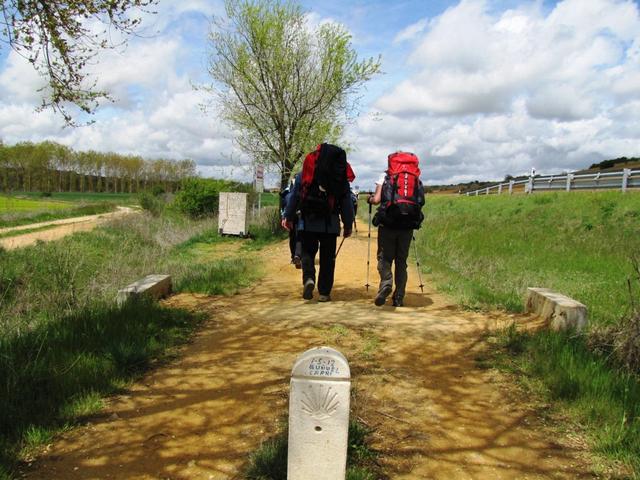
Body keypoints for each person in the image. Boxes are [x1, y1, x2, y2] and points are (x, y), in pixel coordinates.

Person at [282, 144, 354, 302]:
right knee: (328, 258)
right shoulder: (339, 176)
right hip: (330, 223)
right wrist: (348, 224)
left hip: (308, 221)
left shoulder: (306, 171)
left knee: (307, 253)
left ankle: (309, 279)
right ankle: (324, 292)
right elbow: (346, 201)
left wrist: (288, 216)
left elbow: (295, 196)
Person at [367, 151, 425, 307]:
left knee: (384, 258)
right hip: (407, 226)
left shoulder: (385, 176)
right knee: (401, 261)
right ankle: (399, 297)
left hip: (388, 223)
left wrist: (369, 199)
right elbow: (420, 201)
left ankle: (386, 283)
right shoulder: (415, 177)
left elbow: (377, 200)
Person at [280, 175, 301, 267]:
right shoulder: (302, 186)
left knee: (294, 236)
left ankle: (295, 256)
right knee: (298, 235)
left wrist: (284, 217)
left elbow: (283, 205)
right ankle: (296, 255)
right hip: (297, 215)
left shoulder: (287, 191)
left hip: (292, 215)